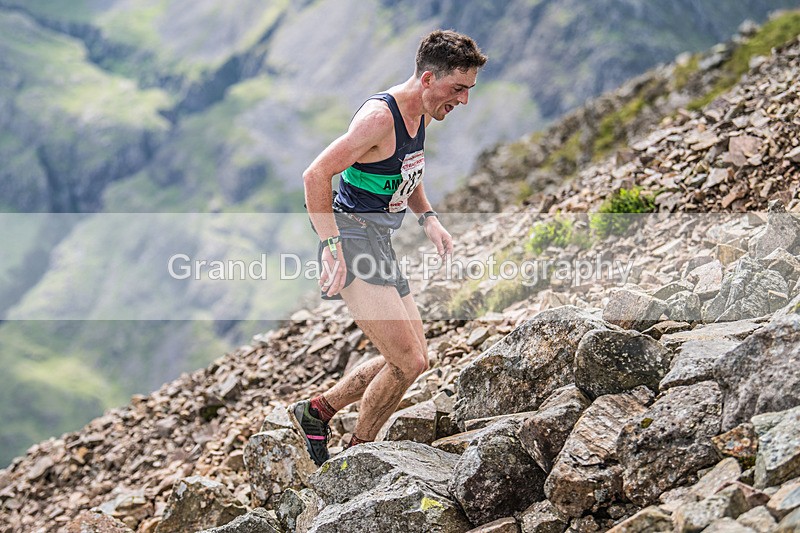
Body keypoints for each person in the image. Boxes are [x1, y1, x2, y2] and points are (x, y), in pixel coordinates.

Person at [291, 29, 487, 466]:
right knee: (408, 362)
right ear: (428, 78)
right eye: (458, 89)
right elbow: (315, 176)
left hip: (378, 240)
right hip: (353, 239)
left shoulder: (421, 113)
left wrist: (429, 217)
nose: (463, 101)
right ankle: (356, 460)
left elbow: (405, 172)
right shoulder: (380, 119)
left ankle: (317, 411)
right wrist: (331, 245)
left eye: (469, 90)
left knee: (415, 356)